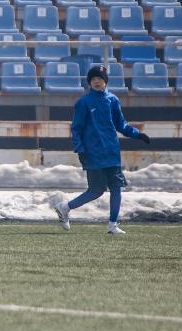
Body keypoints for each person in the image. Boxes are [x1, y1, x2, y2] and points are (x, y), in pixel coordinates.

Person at [49, 63, 150, 235]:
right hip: (93, 153)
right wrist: (80, 149)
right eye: (94, 79)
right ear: (89, 82)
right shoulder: (84, 102)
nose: (97, 81)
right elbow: (77, 128)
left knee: (116, 188)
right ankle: (65, 207)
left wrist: (137, 134)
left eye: (100, 79)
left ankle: (112, 224)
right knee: (96, 191)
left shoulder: (113, 100)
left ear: (105, 81)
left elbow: (121, 124)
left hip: (112, 152)